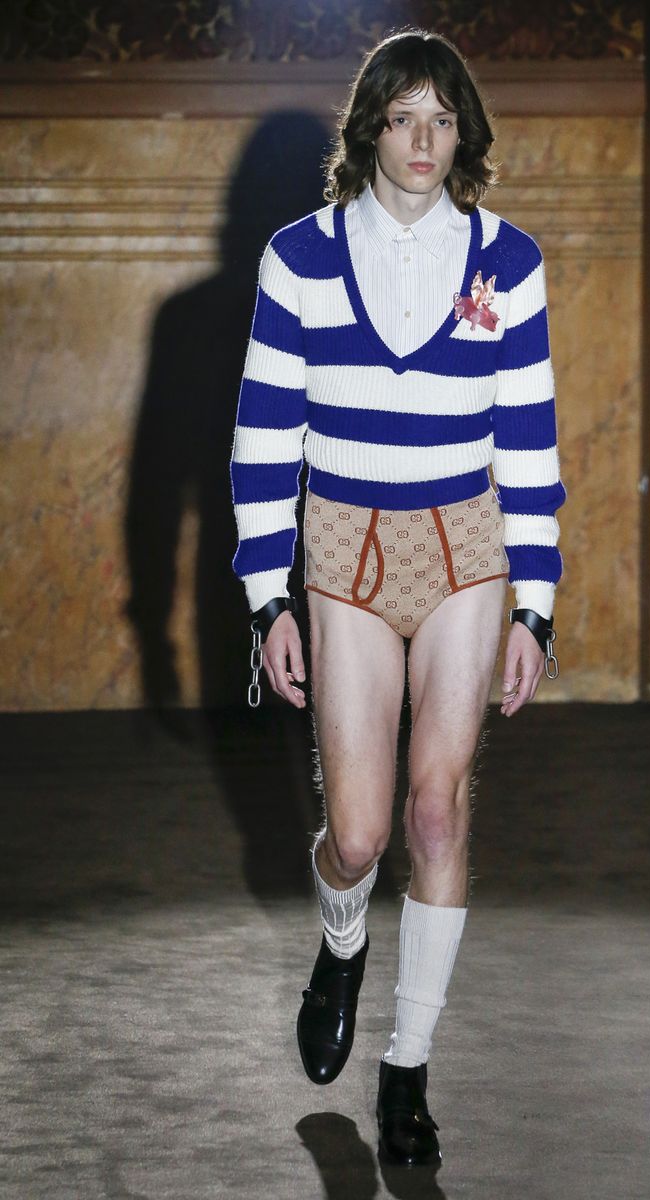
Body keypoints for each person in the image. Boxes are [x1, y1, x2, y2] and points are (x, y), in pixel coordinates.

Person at [229, 28, 566, 1169]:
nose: (423, 140)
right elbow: (265, 436)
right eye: (403, 117)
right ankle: (341, 942)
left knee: (436, 813)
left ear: (463, 133)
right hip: (345, 554)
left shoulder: (506, 261)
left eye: (442, 118)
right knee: (361, 833)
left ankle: (408, 1067)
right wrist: (267, 598)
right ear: (370, 128)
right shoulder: (299, 258)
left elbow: (528, 439)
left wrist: (535, 606)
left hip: (466, 546)